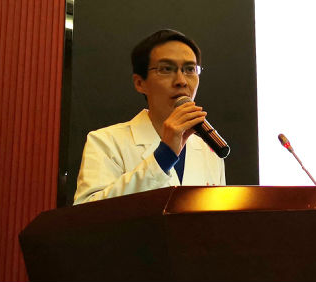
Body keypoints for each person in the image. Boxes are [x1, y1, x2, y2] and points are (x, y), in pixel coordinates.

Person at [73, 29, 225, 204]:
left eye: (190, 69)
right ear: (140, 83)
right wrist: (164, 156)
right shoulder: (106, 142)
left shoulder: (209, 150)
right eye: (166, 69)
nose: (181, 81)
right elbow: (87, 211)